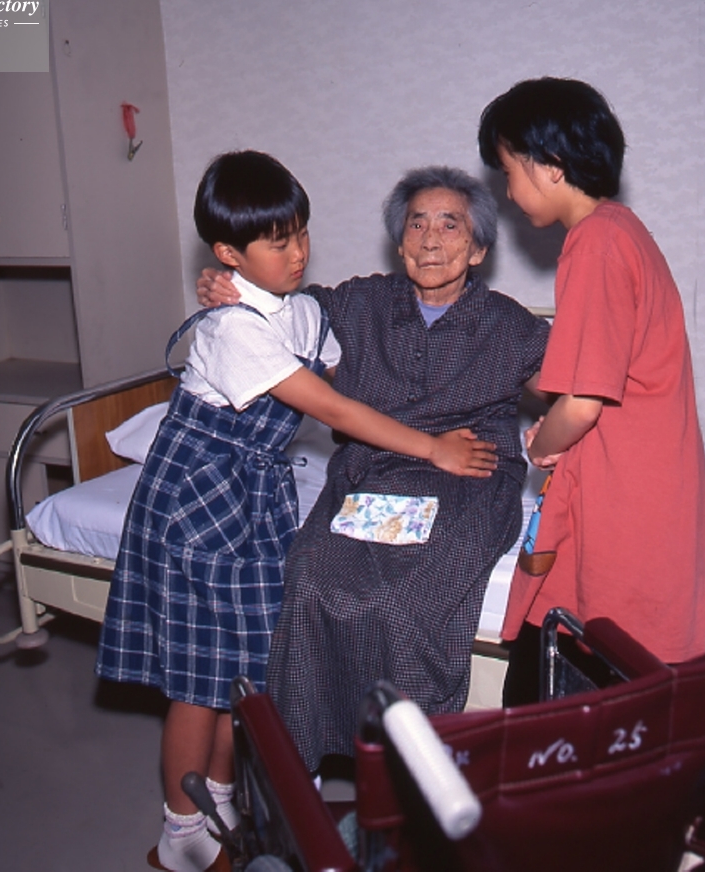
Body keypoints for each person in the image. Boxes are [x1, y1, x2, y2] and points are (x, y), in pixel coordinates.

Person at [96, 152, 497, 872]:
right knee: (197, 684)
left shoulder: (304, 311)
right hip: (198, 505)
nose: (299, 253)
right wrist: (432, 448)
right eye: (278, 243)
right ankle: (180, 834)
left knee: (247, 667)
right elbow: (336, 408)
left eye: (302, 234)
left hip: (253, 500)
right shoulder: (231, 330)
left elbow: (353, 368)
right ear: (228, 255)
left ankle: (221, 803)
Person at [197, 165, 549, 772]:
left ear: (479, 248)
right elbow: (279, 308)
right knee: (309, 579)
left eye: (450, 225)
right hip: (373, 470)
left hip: (466, 476)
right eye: (417, 224)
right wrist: (226, 284)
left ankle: (412, 770)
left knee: (411, 598)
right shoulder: (360, 303)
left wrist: (562, 431)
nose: (430, 240)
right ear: (398, 241)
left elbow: (571, 386)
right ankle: (297, 770)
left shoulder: (510, 325)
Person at [477, 77, 705, 704]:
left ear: (550, 165)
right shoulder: (622, 229)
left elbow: (581, 405)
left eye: (509, 172)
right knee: (551, 636)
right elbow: (600, 382)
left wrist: (538, 445)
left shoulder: (595, 245)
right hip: (637, 474)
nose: (508, 192)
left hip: (627, 493)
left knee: (580, 681)